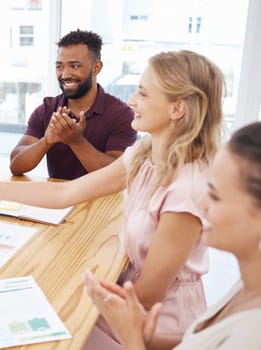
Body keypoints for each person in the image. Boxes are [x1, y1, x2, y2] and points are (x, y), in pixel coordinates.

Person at [0, 50, 224, 340]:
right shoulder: (144, 154)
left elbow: (148, 295)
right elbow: (66, 192)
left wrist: (74, 303)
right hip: (126, 302)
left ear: (177, 109)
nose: (132, 101)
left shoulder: (187, 188)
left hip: (158, 326)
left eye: (143, 94)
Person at [83, 121, 261, 349]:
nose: (201, 203)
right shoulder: (248, 285)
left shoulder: (253, 332)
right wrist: (148, 337)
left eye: (215, 197)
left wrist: (131, 336)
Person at [9, 29, 137, 180]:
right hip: (58, 200)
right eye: (59, 67)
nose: (65, 74)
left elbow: (117, 175)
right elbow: (16, 166)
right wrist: (46, 141)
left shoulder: (121, 115)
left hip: (102, 202)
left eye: (74, 66)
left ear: (96, 68)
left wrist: (76, 142)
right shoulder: (47, 110)